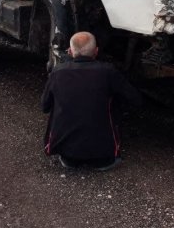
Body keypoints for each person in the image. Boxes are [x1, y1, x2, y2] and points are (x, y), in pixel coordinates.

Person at [41, 31, 142, 169]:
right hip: (104, 157)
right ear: (96, 51)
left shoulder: (57, 73)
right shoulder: (108, 72)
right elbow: (135, 99)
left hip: (68, 157)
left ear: (70, 51)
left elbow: (44, 107)